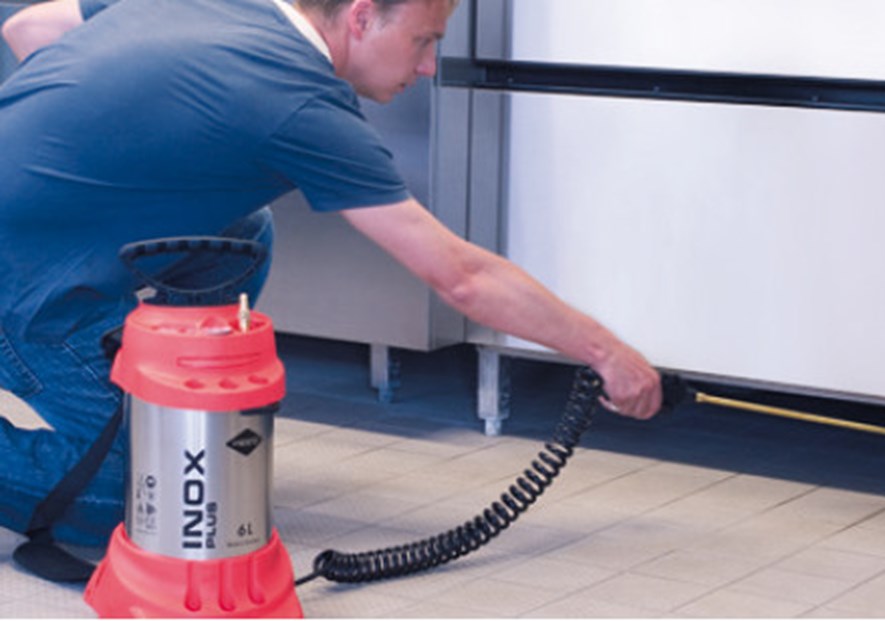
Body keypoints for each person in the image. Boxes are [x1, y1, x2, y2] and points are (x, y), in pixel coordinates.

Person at [0, 0, 663, 548]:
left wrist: (85, 161)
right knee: (158, 495)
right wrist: (605, 352)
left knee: (240, 237)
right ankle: (124, 428)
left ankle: (166, 393)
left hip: (34, 252)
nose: (429, 66)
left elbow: (29, 27)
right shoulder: (299, 104)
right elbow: (461, 277)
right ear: (362, 16)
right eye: (424, 40)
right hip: (22, 289)